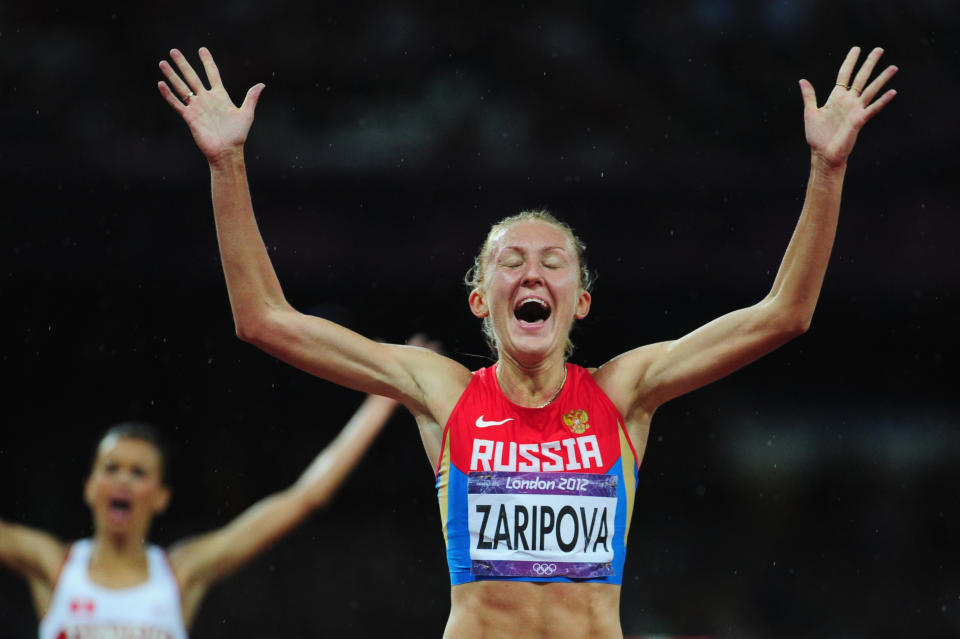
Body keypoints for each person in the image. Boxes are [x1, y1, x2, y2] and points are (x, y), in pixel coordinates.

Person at [156, 45, 897, 639]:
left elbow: (783, 314)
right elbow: (264, 319)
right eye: (510, 261)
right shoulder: (443, 391)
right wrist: (227, 164)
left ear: (580, 301)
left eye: (552, 263)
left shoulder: (623, 390)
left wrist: (826, 169)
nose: (531, 271)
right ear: (481, 299)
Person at [0, 387, 412, 637]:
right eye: (111, 469)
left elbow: (303, 498)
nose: (122, 480)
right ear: (90, 487)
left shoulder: (180, 574)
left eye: (138, 471)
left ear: (160, 496)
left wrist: (377, 408)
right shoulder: (54, 567)